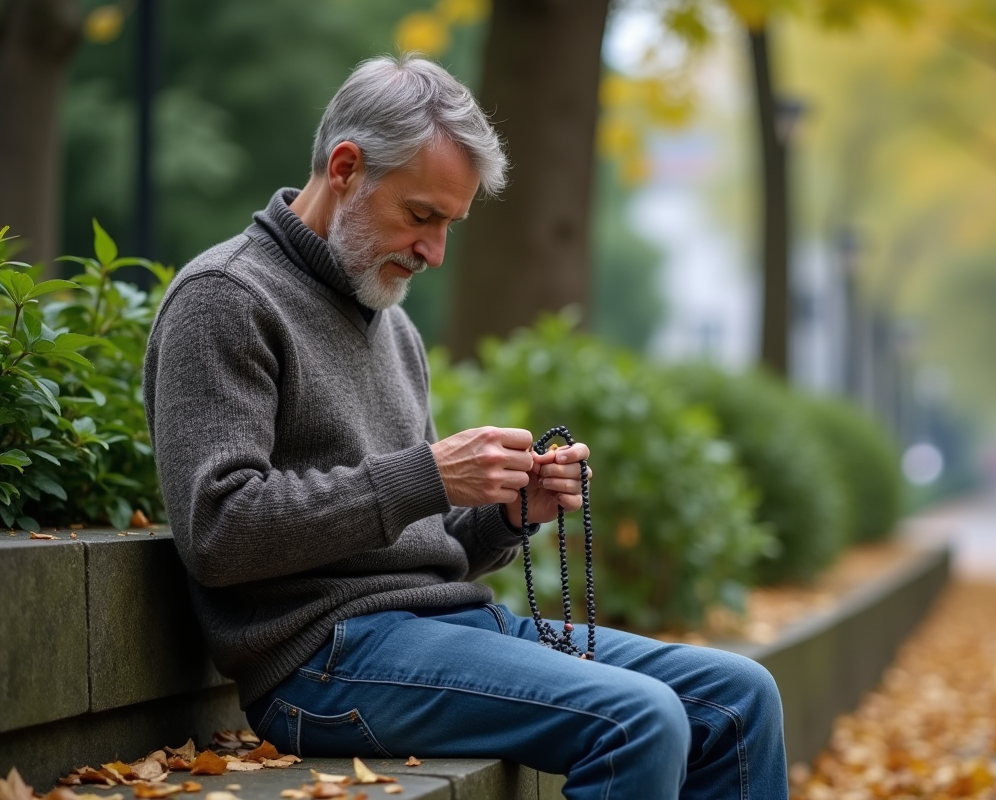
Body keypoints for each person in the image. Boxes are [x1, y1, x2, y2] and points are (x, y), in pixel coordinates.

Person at [143, 53, 787, 800]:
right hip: (321, 663)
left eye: (450, 224)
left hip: (448, 628)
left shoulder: (389, 321)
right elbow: (219, 532)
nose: (435, 252)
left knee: (742, 698)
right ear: (346, 167)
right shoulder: (225, 298)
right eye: (422, 216)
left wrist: (509, 512)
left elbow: (428, 543)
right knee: (638, 718)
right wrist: (427, 474)